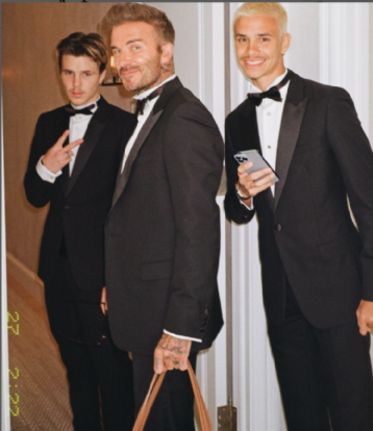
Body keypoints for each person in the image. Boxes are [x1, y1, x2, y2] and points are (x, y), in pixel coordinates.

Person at [223, 3, 373, 430]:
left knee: (351, 414)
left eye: (263, 38)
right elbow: (237, 210)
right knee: (302, 415)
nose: (251, 50)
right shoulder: (237, 121)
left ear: (284, 42)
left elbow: (370, 198)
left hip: (340, 292)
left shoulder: (327, 102)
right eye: (242, 39)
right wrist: (242, 194)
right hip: (282, 297)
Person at [100, 4, 224, 429]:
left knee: (166, 420)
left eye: (135, 47)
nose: (122, 61)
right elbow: (141, 215)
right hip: (142, 302)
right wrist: (115, 280)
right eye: (117, 51)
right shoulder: (149, 112)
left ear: (165, 52)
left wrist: (180, 329)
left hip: (167, 317)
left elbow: (199, 229)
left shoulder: (184, 116)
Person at [23, 32, 136, 431]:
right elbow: (34, 195)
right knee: (75, 367)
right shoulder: (48, 122)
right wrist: (46, 167)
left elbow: (128, 211)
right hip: (57, 269)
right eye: (68, 72)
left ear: (103, 73)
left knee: (112, 372)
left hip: (101, 272)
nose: (75, 84)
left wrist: (115, 278)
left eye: (86, 74)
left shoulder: (124, 125)